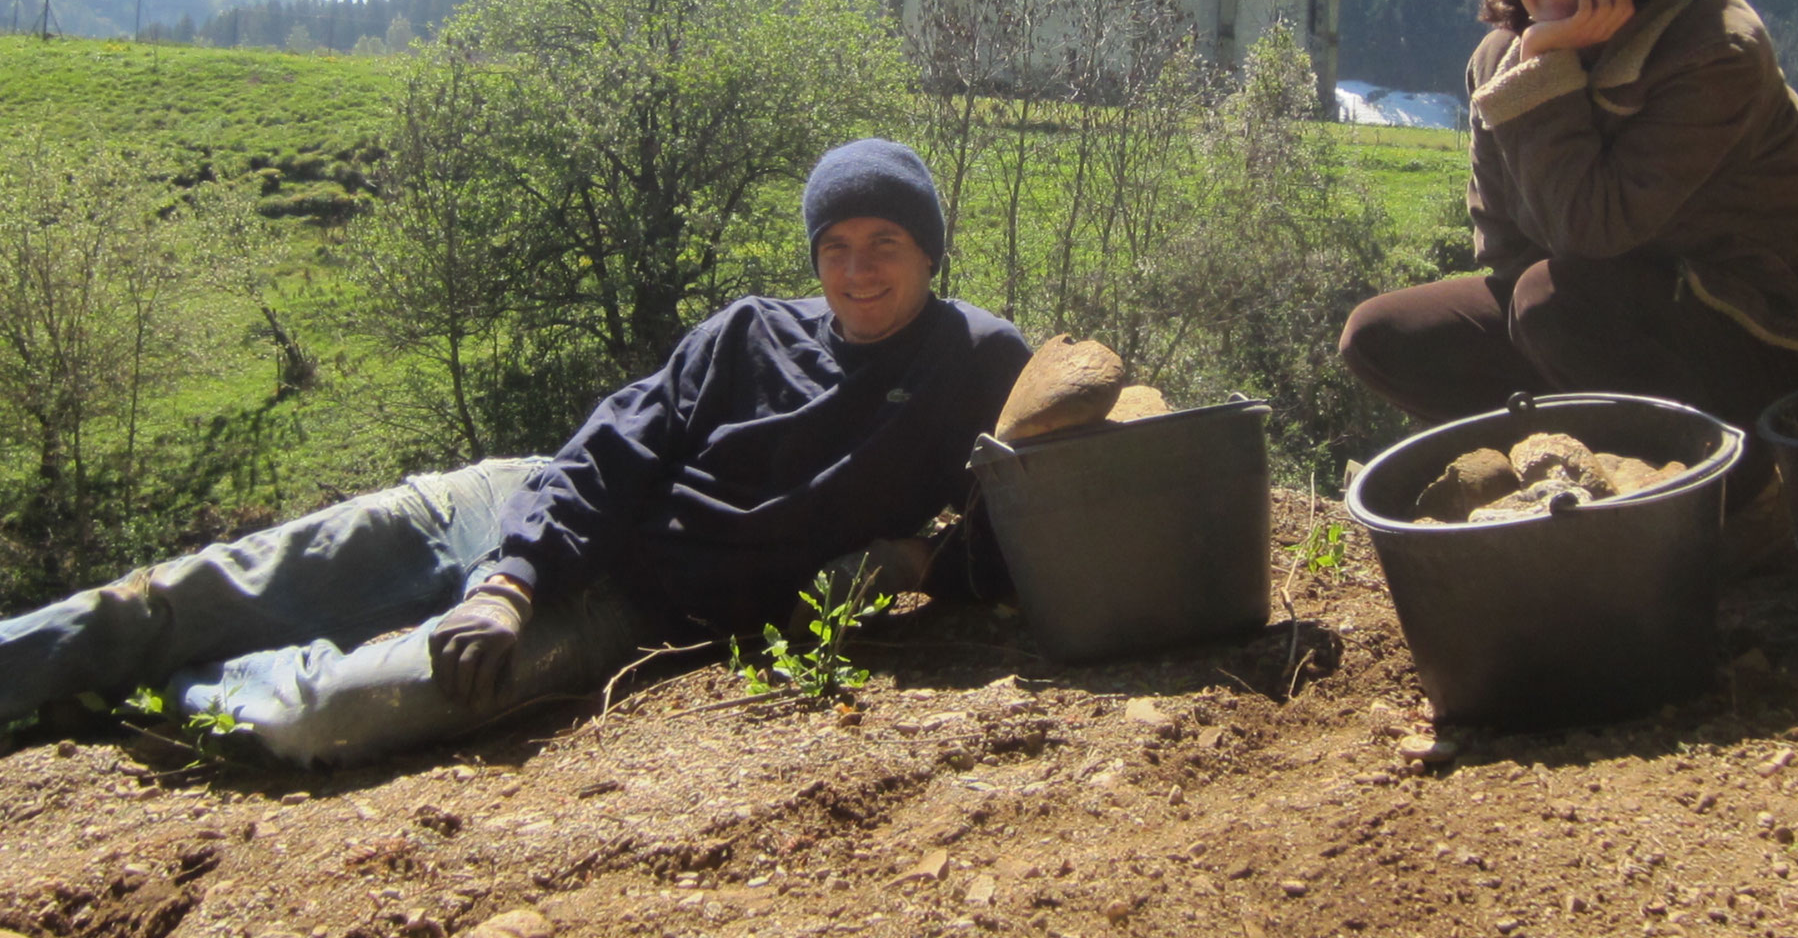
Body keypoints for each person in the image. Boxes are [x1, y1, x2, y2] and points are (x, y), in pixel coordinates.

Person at [0, 139, 1031, 766]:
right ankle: (72, 660)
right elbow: (614, 446)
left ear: (929, 252)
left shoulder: (974, 358)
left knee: (324, 718)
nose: (856, 273)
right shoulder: (748, 331)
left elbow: (1030, 518)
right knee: (206, 583)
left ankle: (188, 680)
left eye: (883, 246)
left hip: (632, 609)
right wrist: (507, 577)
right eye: (834, 248)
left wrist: (923, 563)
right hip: (512, 507)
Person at [1339, 0, 1798, 487]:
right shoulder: (1502, 59)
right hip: (1599, 310)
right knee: (1381, 336)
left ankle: (1737, 487)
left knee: (1549, 304)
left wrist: (1546, 71)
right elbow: (1502, 242)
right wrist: (1542, 59)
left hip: (1767, 329)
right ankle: (1568, 468)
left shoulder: (1712, 50)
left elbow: (1596, 231)